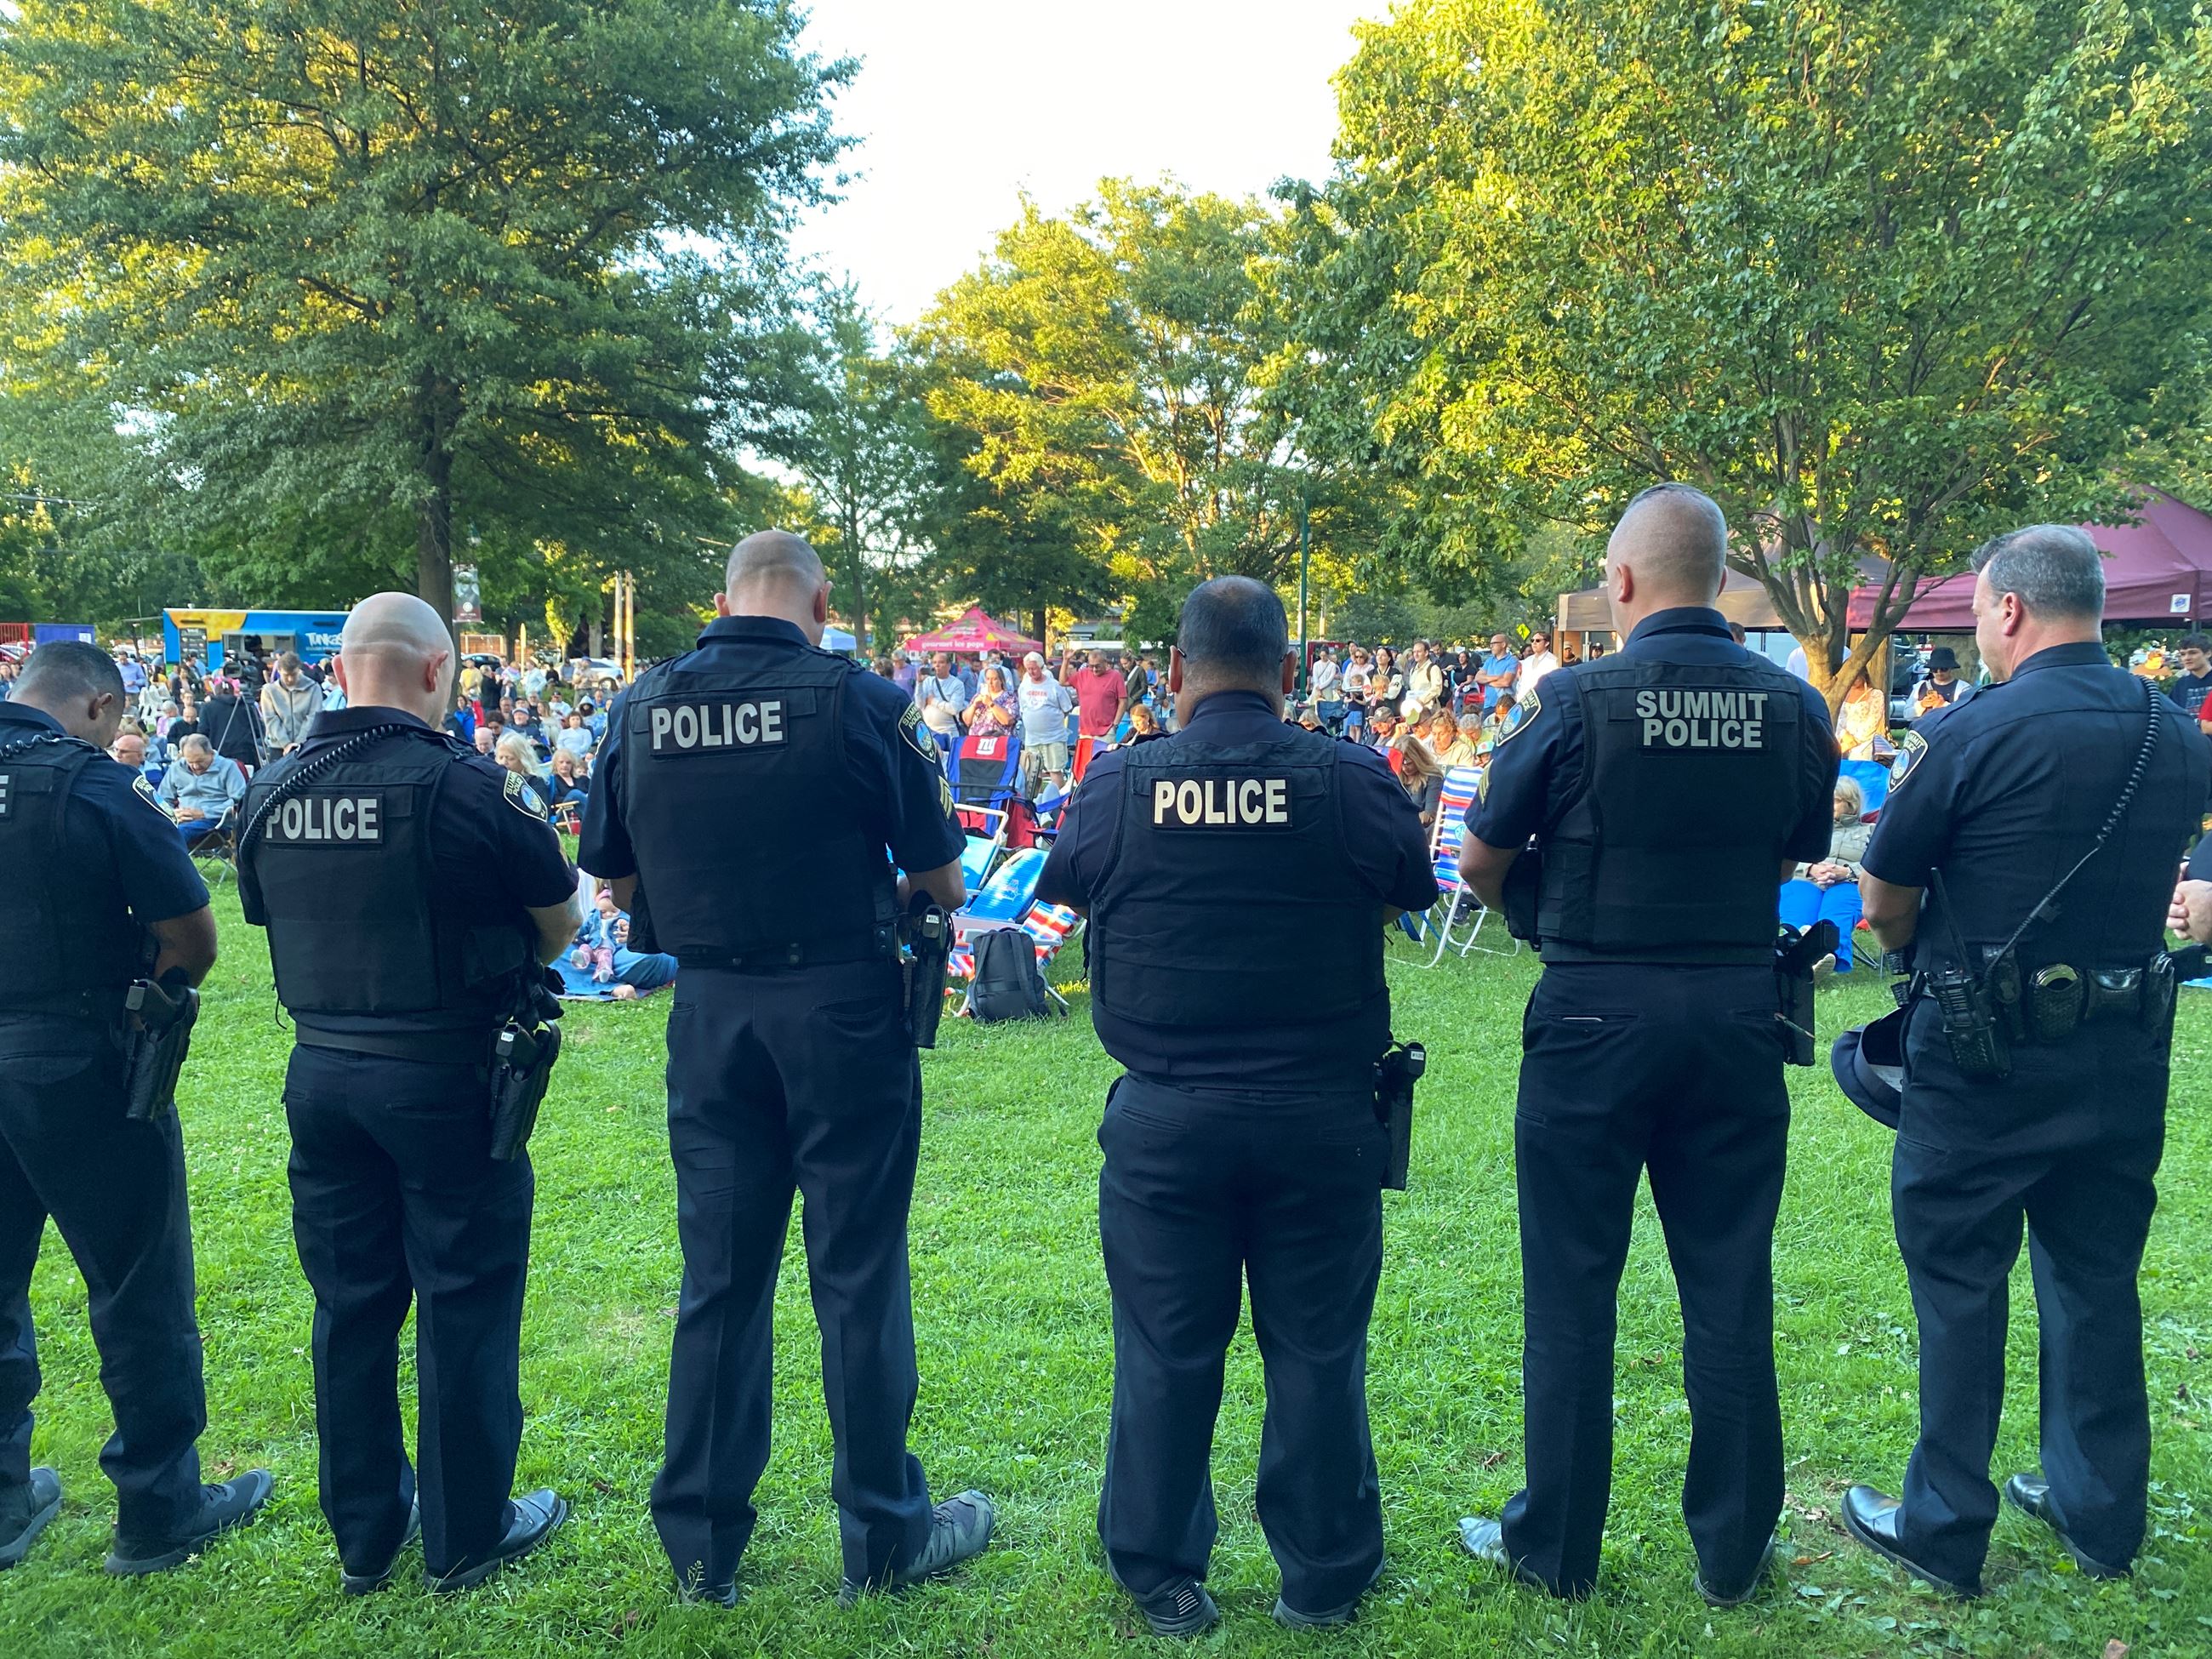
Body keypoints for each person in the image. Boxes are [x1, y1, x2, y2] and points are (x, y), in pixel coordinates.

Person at [579, 531, 992, 1607]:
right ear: (817, 603)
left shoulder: (640, 705)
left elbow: (613, 886)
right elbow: (943, 876)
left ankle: (702, 1546)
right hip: (840, 1012)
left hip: (711, 1013)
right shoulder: (858, 701)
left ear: (721, 600)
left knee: (720, 1274)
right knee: (855, 1272)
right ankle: (885, 1532)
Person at [1457, 483, 1838, 1604]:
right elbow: (1787, 853)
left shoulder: (1573, 699)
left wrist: (1553, 912)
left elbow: (1478, 863)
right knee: (1729, 1278)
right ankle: (1733, 1550)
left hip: (1590, 1014)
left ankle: (1556, 1547)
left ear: (1619, 583)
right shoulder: (1793, 705)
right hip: (1733, 1010)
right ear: (1721, 581)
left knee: (1571, 1284)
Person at [1036, 578, 1438, 1636]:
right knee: (1315, 1354)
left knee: (1166, 1354)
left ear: (1169, 674)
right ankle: (1323, 1576)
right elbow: (1410, 887)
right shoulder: (1349, 776)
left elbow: (1062, 885)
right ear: (1291, 673)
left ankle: (1161, 1574)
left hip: (1167, 1122)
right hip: (1320, 1120)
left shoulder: (1121, 782)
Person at [1842, 526, 2208, 1597]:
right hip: (2122, 1052)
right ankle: (2098, 1512)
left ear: (2006, 610)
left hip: (1983, 1055)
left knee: (1959, 1283)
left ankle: (1943, 1522)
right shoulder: (2174, 729)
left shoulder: (1978, 728)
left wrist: (1912, 950)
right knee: (2095, 1280)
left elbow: (1883, 895)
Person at [236, 594, 581, 1595]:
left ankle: (364, 1536)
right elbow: (557, 925)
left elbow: (267, 914)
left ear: (339, 672)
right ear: (439, 673)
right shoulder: (467, 786)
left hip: (322, 1073)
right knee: (463, 1299)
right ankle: (467, 1531)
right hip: (444, 1074)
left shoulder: (272, 785)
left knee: (349, 1305)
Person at [0, 642, 272, 1576]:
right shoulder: (90, 786)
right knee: (137, 1287)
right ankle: (160, 1509)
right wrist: (145, 1007)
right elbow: (191, 937)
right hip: (77, 1061)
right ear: (100, 706)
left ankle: (3, 1502)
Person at [1777, 777, 1873, 972]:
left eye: (1835, 800)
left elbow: (1880, 864)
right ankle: (1797, 952)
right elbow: (1784, 857)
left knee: (1837, 909)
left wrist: (1847, 871)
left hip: (1849, 883)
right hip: (1805, 879)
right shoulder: (1809, 831)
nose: (1828, 805)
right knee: (1799, 908)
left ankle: (1829, 958)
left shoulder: (1870, 832)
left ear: (1851, 804)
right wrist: (1810, 868)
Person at [157, 734, 248, 847]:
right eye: (190, 762)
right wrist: (172, 814)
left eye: (200, 761)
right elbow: (162, 798)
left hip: (216, 822)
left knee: (176, 833)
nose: (195, 766)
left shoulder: (228, 767)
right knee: (150, 829)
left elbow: (238, 802)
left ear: (211, 753)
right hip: (181, 819)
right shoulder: (176, 768)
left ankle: (174, 864)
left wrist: (204, 813)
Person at [1015, 653, 1075, 798]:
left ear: (1041, 667)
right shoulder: (1024, 686)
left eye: (1034, 669)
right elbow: (1023, 708)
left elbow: (1066, 708)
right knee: (1033, 772)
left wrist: (1052, 721)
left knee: (1055, 770)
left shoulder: (1054, 686)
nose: (1031, 672)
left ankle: (1057, 803)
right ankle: (1035, 801)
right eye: (1028, 669)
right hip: (1032, 738)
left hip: (1053, 737)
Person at [259, 653, 321, 755]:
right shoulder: (269, 690)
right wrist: (286, 743)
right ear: (279, 671)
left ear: (299, 670)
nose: (290, 679)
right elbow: (271, 719)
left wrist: (299, 743)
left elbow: (312, 717)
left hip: (306, 745)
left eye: (294, 675)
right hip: (277, 746)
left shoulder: (313, 688)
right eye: (286, 675)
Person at [915, 652, 968, 767]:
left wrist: (934, 702)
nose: (937, 666)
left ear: (949, 665)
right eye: (934, 663)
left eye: (941, 662)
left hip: (948, 733)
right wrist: (919, 684)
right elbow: (919, 704)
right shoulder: (928, 681)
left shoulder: (956, 684)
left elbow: (954, 708)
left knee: (948, 765)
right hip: (929, 732)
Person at [198, 676, 264, 771]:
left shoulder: (207, 708)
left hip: (218, 757)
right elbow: (258, 730)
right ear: (233, 692)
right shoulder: (246, 706)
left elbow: (202, 734)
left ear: (216, 693)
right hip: (246, 755)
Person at [1068, 647, 1128, 740]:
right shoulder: (1083, 674)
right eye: (1091, 666)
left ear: (1105, 662)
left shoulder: (1115, 676)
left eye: (1098, 666)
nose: (1094, 669)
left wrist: (1115, 725)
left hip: (1106, 731)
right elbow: (1063, 681)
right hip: (1086, 731)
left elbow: (1123, 701)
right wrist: (1065, 660)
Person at [1837, 670, 1888, 760]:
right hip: (1841, 740)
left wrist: (1854, 741)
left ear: (1863, 675)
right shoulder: (1841, 693)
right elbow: (1837, 716)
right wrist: (1843, 734)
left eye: (1856, 677)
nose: (1854, 680)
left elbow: (1873, 721)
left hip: (1863, 745)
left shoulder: (1876, 694)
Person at [2166, 633, 2212, 733]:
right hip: (2191, 744)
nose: (2187, 658)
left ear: (2208, 653)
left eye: (2193, 653)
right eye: (2183, 654)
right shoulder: (2181, 684)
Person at [1913, 647, 1975, 717]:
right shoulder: (1920, 686)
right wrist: (1922, 705)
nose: (1939, 672)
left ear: (1951, 668)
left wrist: (1944, 705)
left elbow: (1967, 715)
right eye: (1935, 669)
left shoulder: (1963, 688)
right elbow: (1907, 714)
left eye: (1944, 669)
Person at [963, 664, 1019, 738]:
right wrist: (974, 705)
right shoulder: (979, 695)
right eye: (988, 679)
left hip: (999, 742)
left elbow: (1007, 720)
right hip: (977, 742)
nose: (990, 682)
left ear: (1001, 680)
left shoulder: (1009, 697)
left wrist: (990, 703)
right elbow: (967, 721)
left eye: (994, 679)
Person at [1477, 633, 1519, 715]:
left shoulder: (1512, 661)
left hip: (1505, 705)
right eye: (1491, 644)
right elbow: (1478, 678)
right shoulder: (1489, 661)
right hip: (1488, 705)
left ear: (1503, 644)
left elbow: (1506, 682)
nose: (1491, 646)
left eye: (1494, 643)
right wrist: (1497, 677)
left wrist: (1487, 681)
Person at [1514, 630, 1560, 704]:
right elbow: (1521, 682)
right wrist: (1517, 696)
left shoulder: (1553, 661)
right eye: (1532, 641)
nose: (1534, 643)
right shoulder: (1527, 661)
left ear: (1547, 643)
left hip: (1542, 702)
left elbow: (1553, 685)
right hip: (1523, 701)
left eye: (1538, 640)